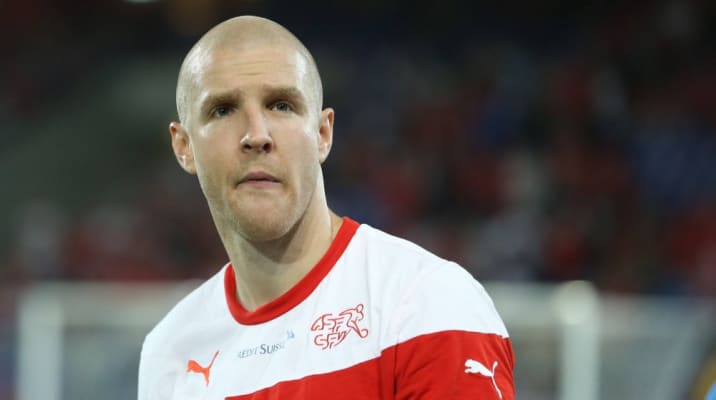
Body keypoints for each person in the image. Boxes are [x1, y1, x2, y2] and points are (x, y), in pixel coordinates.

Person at [138, 15, 515, 400]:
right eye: (222, 110)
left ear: (323, 134)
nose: (257, 135)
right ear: (184, 147)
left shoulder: (425, 303)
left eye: (281, 105)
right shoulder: (168, 354)